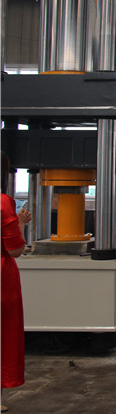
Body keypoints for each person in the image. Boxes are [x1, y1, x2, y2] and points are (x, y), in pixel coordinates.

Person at [1, 153, 28, 408]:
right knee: (3, 335)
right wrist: (20, 223)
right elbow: (15, 249)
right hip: (2, 277)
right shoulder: (2, 203)